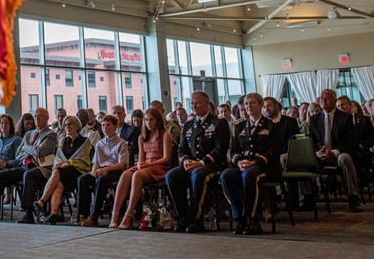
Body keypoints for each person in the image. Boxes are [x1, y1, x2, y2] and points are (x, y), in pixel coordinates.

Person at [165, 90, 230, 233]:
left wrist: (200, 163)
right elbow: (182, 150)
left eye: (198, 103)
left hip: (213, 165)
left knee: (198, 175)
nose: (194, 106)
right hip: (192, 165)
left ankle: (196, 219)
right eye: (192, 103)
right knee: (172, 175)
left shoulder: (219, 122)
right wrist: (186, 161)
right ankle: (183, 217)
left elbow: (220, 149)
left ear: (207, 104)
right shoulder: (188, 125)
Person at [0, 108, 56, 222]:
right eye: (35, 115)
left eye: (40, 116)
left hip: (41, 168)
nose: (36, 118)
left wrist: (26, 148)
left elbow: (40, 151)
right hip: (25, 165)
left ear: (47, 118)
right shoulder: (28, 134)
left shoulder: (50, 134)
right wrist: (30, 152)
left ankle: (28, 213)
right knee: (2, 175)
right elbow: (18, 155)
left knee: (28, 175)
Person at [220, 93, 279, 235]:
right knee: (226, 175)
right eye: (246, 104)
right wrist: (239, 161)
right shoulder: (240, 126)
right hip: (244, 165)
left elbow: (274, 151)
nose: (249, 106)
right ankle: (239, 218)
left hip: (264, 166)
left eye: (252, 103)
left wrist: (254, 162)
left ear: (260, 105)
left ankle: (253, 220)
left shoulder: (271, 125)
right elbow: (234, 150)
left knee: (249, 176)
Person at [110, 107, 172, 229]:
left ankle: (128, 216)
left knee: (137, 175)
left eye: (152, 120)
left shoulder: (165, 135)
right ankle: (115, 216)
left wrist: (147, 165)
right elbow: (141, 159)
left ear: (158, 120)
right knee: (126, 174)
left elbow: (167, 159)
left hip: (159, 167)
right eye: (147, 120)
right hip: (146, 166)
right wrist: (140, 164)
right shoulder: (142, 138)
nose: (149, 123)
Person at [306, 89, 362, 213]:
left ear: (334, 101)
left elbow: (350, 142)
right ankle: (308, 197)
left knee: (345, 158)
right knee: (302, 160)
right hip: (320, 156)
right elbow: (311, 141)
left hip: (338, 155)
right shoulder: (314, 119)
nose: (323, 100)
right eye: (321, 98)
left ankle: (353, 197)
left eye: (326, 98)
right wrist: (318, 153)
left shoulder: (345, 118)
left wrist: (334, 153)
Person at [33, 116, 91, 223]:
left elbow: (84, 161)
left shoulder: (85, 141)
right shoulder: (63, 141)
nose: (67, 126)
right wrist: (61, 164)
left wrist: (69, 163)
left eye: (70, 124)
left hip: (78, 172)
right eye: (65, 125)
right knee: (59, 184)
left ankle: (42, 201)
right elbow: (58, 158)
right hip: (63, 172)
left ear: (76, 125)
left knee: (57, 172)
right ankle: (53, 214)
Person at [76, 114, 129, 227]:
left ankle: (93, 216)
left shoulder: (121, 143)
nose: (105, 127)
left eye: (108, 125)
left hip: (115, 171)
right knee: (82, 179)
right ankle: (82, 215)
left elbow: (122, 164)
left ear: (115, 127)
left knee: (101, 180)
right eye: (103, 125)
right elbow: (96, 161)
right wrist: (94, 170)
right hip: (101, 170)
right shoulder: (99, 143)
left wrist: (106, 169)